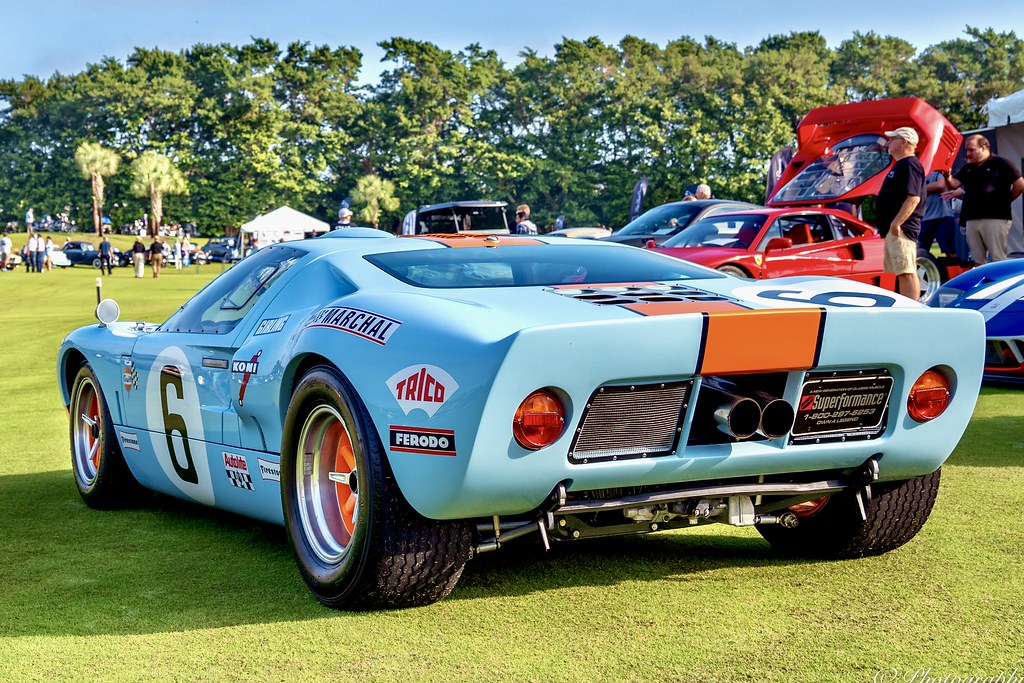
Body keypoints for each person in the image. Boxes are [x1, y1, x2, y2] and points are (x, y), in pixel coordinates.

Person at [930, 134, 1024, 264]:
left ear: (984, 148)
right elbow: (953, 184)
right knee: (977, 260)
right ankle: (983, 284)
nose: (968, 154)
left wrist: (1005, 201)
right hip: (972, 219)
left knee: (998, 258)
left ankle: (1000, 283)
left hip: (995, 218)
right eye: (966, 150)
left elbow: (1020, 185)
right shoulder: (968, 168)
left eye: (971, 150)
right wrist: (947, 175)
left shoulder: (1002, 163)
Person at [875, 127, 925, 300]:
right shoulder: (902, 165)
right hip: (893, 229)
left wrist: (897, 223)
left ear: (904, 141)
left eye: (892, 139)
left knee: (906, 271)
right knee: (898, 272)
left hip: (902, 228)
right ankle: (904, 307)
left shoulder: (910, 164)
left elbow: (913, 198)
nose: (888, 143)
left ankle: (913, 310)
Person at [920, 170, 957, 257]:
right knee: (920, 251)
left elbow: (940, 185)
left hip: (943, 217)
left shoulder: (937, 172)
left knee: (949, 250)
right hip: (923, 218)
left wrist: (921, 189)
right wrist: (931, 189)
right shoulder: (916, 173)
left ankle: (953, 270)